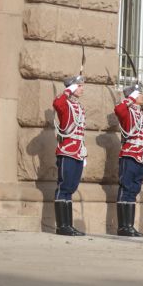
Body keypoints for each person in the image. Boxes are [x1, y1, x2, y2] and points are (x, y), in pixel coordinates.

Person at [52, 72, 88, 237]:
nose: (81, 89)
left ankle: (68, 225)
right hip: (67, 151)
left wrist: (83, 152)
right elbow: (57, 103)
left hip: (78, 152)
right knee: (64, 187)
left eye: (81, 86)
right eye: (78, 86)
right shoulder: (65, 104)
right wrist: (68, 90)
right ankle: (62, 226)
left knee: (71, 188)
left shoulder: (79, 107)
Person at [112, 83, 143, 237]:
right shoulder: (127, 112)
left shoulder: (141, 113)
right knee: (126, 188)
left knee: (133, 190)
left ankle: (129, 226)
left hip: (141, 155)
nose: (142, 95)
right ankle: (123, 227)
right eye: (139, 93)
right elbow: (118, 109)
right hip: (130, 154)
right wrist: (129, 99)